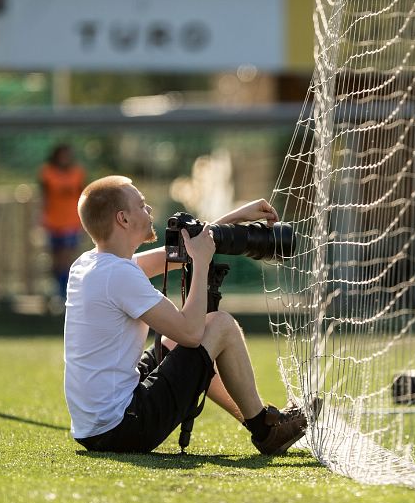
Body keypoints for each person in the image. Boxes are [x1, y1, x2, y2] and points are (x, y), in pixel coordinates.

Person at [64, 175, 307, 455]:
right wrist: (202, 264)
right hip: (123, 428)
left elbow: (177, 254)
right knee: (219, 325)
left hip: (96, 426)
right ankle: (267, 430)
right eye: (142, 205)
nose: (150, 210)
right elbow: (191, 334)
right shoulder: (119, 274)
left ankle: (261, 421)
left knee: (185, 341)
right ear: (123, 219)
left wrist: (236, 218)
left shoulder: (90, 263)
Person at [40, 144, 86, 298]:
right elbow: (44, 197)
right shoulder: (47, 173)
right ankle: (57, 290)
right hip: (53, 223)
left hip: (72, 222)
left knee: (67, 258)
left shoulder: (77, 173)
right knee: (55, 260)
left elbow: (83, 196)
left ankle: (66, 292)